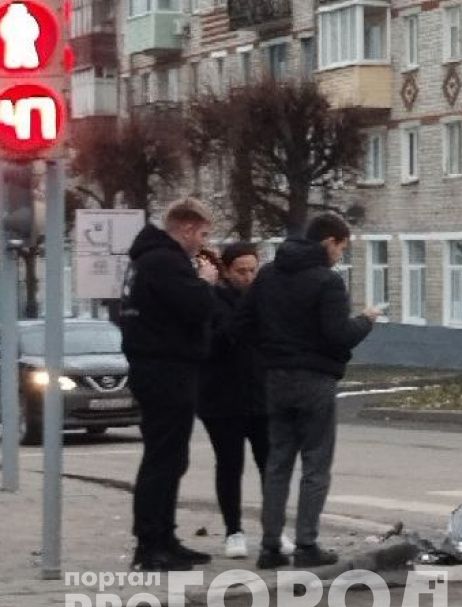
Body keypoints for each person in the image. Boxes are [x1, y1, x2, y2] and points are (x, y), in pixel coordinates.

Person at [238, 214, 380, 569]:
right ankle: (306, 544)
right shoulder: (326, 283)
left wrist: (272, 352)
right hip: (314, 380)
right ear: (329, 242)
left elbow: (243, 322)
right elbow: (338, 335)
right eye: (341, 249)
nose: (339, 256)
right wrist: (366, 320)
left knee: (278, 462)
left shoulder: (268, 273)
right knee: (316, 462)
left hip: (275, 378)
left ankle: (270, 546)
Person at [119, 198, 218, 571]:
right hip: (166, 368)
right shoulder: (164, 261)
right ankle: (150, 544)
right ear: (187, 229)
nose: (204, 243)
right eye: (203, 234)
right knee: (163, 458)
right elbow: (195, 308)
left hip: (159, 364)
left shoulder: (147, 260)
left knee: (172, 457)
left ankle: (164, 536)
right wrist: (204, 283)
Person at [198, 242, 291, 560]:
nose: (248, 277)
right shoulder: (212, 299)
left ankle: (274, 529)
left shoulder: (267, 300)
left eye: (253, 270)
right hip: (221, 398)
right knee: (229, 464)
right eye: (241, 271)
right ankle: (234, 531)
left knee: (271, 465)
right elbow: (213, 343)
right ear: (226, 270)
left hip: (262, 395)